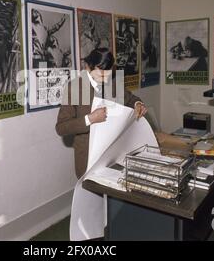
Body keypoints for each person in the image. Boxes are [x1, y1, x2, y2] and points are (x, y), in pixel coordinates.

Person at [55, 47, 147, 178]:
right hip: (88, 156)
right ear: (88, 67)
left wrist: (138, 104)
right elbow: (61, 128)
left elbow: (131, 99)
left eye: (108, 74)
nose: (105, 80)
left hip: (113, 152)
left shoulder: (113, 81)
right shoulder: (75, 88)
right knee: (91, 194)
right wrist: (90, 119)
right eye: (100, 75)